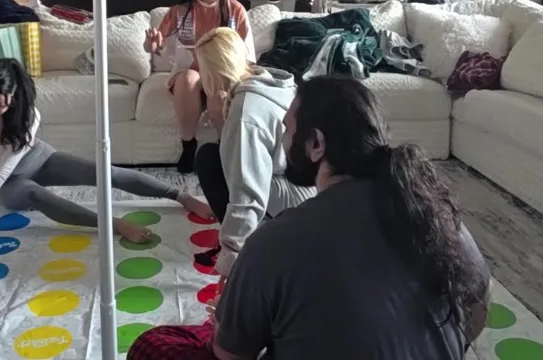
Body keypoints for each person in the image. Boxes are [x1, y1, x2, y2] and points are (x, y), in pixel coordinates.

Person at [128, 76, 492, 360]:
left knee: (155, 344)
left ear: (315, 143)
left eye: (287, 128)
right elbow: (477, 308)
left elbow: (229, 355)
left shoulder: (276, 241)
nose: (284, 139)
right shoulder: (435, 216)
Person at [0, 58, 213, 244]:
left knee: (103, 172)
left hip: (40, 158)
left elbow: (8, 163)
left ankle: (181, 196)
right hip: (11, 181)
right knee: (35, 194)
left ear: (14, 96)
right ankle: (114, 225)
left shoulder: (29, 114)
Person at [188, 27, 315, 275]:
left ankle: (256, 247)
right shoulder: (271, 82)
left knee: (208, 160)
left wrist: (232, 256)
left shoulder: (246, 111)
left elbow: (247, 192)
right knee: (218, 154)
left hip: (294, 203)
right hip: (308, 190)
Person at [143, 0, 249, 173]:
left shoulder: (235, 10)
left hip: (222, 75)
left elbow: (246, 53)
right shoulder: (180, 10)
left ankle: (225, 148)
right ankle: (188, 145)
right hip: (188, 73)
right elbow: (156, 46)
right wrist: (151, 45)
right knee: (188, 78)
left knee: (218, 92)